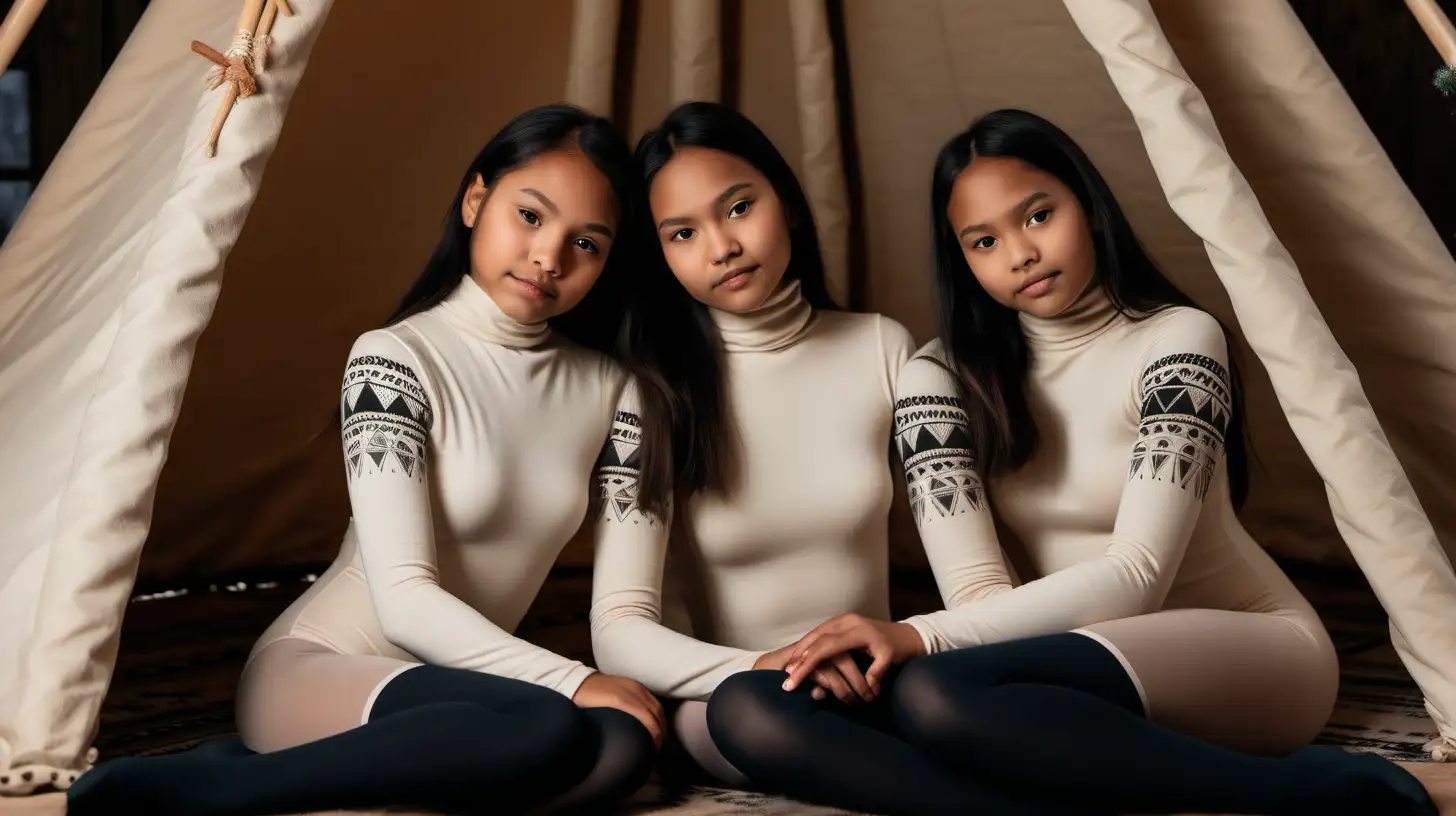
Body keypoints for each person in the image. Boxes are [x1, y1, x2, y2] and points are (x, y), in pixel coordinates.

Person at [770, 108, 1437, 815]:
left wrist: (915, 635)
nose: (1019, 253)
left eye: (1037, 216)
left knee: (935, 690)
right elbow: (974, 590)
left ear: (1086, 207)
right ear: (961, 259)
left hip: (1250, 651)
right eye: (984, 240)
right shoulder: (938, 377)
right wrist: (956, 655)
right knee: (761, 705)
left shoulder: (1178, 339)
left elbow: (1138, 579)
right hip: (1071, 656)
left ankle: (1309, 789)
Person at [68, 104, 661, 816]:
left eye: (586, 244)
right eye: (530, 216)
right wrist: (571, 680)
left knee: (622, 745)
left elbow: (625, 609)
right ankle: (213, 789)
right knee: (546, 725)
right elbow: (405, 602)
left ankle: (376, 775)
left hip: (459, 686)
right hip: (322, 668)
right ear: (477, 200)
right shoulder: (394, 359)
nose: (549, 257)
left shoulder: (613, 389)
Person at [589, 101, 1090, 816]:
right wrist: (768, 665)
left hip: (875, 674)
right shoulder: (650, 394)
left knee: (949, 699)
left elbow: (973, 577)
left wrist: (943, 653)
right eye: (683, 233)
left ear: (787, 203)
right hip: (731, 691)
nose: (722, 246)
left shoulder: (883, 350)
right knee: (751, 713)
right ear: (661, 253)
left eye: (739, 207)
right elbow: (618, 627)